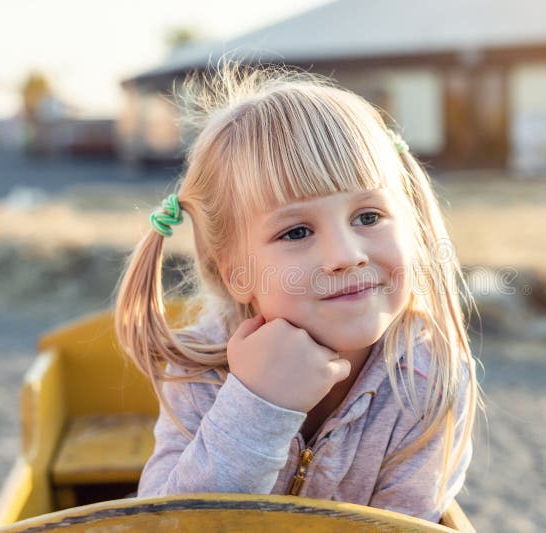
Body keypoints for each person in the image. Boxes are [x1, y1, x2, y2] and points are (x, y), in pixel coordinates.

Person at [114, 62, 481, 523]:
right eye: (297, 231)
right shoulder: (201, 367)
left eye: (368, 217)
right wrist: (257, 405)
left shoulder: (427, 381)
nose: (346, 255)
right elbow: (165, 524)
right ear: (235, 272)